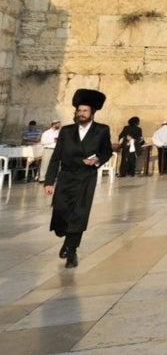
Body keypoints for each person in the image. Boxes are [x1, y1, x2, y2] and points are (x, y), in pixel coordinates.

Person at [43, 89, 112, 268]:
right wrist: (49, 181)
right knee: (60, 212)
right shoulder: (66, 131)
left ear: (92, 113)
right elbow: (56, 157)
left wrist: (97, 160)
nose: (81, 114)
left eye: (85, 111)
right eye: (79, 111)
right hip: (66, 177)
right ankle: (66, 239)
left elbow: (106, 151)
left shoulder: (101, 130)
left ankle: (71, 250)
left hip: (85, 178)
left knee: (79, 215)